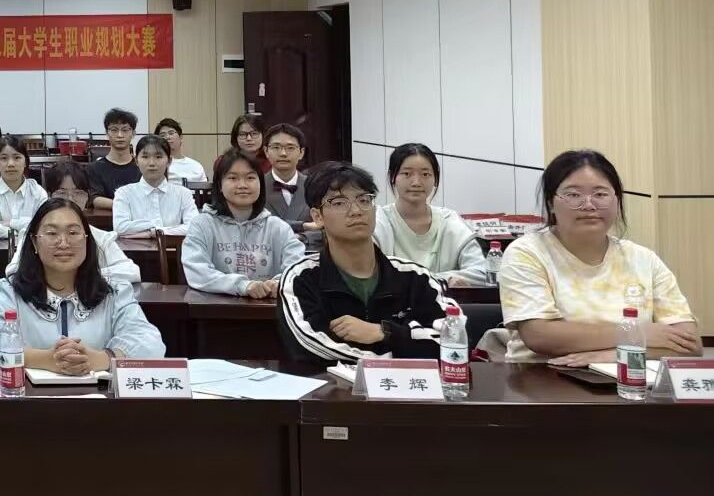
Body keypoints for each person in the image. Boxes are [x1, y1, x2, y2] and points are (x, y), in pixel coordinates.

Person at [500, 149, 699, 364]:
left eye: (600, 194)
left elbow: (690, 344)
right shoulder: (527, 253)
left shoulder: (643, 259)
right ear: (551, 203)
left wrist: (610, 356)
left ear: (616, 201)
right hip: (542, 376)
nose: (589, 205)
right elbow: (539, 335)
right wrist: (638, 333)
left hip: (629, 376)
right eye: (573, 195)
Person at [278, 162, 455, 367]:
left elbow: (452, 342)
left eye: (364, 200)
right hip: (333, 387)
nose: (356, 211)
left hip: (409, 388)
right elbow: (313, 347)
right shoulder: (301, 279)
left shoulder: (416, 276)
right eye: (339, 202)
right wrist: (403, 351)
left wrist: (385, 332)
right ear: (318, 217)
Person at [0, 198, 165, 374]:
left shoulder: (114, 291)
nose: (64, 243)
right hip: (31, 396)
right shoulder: (11, 291)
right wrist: (45, 359)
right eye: (52, 233)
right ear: (34, 241)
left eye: (73, 233)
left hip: (100, 397)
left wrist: (102, 359)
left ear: (86, 239)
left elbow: (150, 343)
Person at [182, 149, 305, 298]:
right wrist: (243, 285)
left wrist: (280, 283)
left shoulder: (278, 227)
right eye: (233, 178)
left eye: (250, 177)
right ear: (219, 185)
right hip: (215, 308)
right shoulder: (202, 224)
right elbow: (197, 271)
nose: (242, 185)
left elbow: (298, 267)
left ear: (261, 184)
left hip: (269, 308)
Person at [375, 144, 488, 285]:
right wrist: (442, 281)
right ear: (393, 177)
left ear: (434, 179)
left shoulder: (449, 221)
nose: (416, 183)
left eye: (425, 174)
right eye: (407, 174)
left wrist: (418, 282)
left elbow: (482, 272)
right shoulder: (379, 220)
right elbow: (370, 274)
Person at [26, 162, 140, 284]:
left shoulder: (101, 237)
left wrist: (82, 275)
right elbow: (14, 271)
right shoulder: (35, 233)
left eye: (78, 193)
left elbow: (132, 272)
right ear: (49, 196)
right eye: (62, 193)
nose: (70, 199)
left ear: (87, 197)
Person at [111, 135, 198, 237]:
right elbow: (120, 228)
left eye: (158, 157)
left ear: (169, 161)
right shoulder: (124, 193)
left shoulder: (183, 194)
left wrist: (152, 232)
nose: (151, 163)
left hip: (174, 247)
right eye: (145, 157)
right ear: (136, 161)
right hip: (135, 248)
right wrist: (158, 227)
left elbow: (194, 227)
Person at [0, 134, 48, 240]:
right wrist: (19, 231)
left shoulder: (38, 193)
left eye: (17, 157)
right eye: (4, 158)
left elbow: (44, 227)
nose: (10, 164)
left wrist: (10, 223)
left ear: (25, 162)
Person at [85, 107, 141, 211]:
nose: (120, 135)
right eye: (114, 130)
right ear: (107, 133)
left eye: (125, 130)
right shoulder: (93, 168)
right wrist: (127, 205)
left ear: (133, 134)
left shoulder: (141, 167)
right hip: (106, 219)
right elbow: (95, 199)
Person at [261, 123, 311, 227]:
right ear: (266, 151)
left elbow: (324, 227)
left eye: (290, 148)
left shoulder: (313, 185)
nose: (283, 153)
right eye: (276, 147)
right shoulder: (257, 186)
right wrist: (304, 226)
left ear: (301, 152)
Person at [154, 118, 204, 183]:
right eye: (163, 135)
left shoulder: (196, 166)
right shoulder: (155, 165)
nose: (167, 137)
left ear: (181, 137)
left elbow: (205, 188)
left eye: (171, 133)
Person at [216, 114, 266, 178]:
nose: (249, 138)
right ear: (235, 137)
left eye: (254, 133)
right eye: (243, 134)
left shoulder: (271, 161)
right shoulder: (223, 162)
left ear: (263, 135)